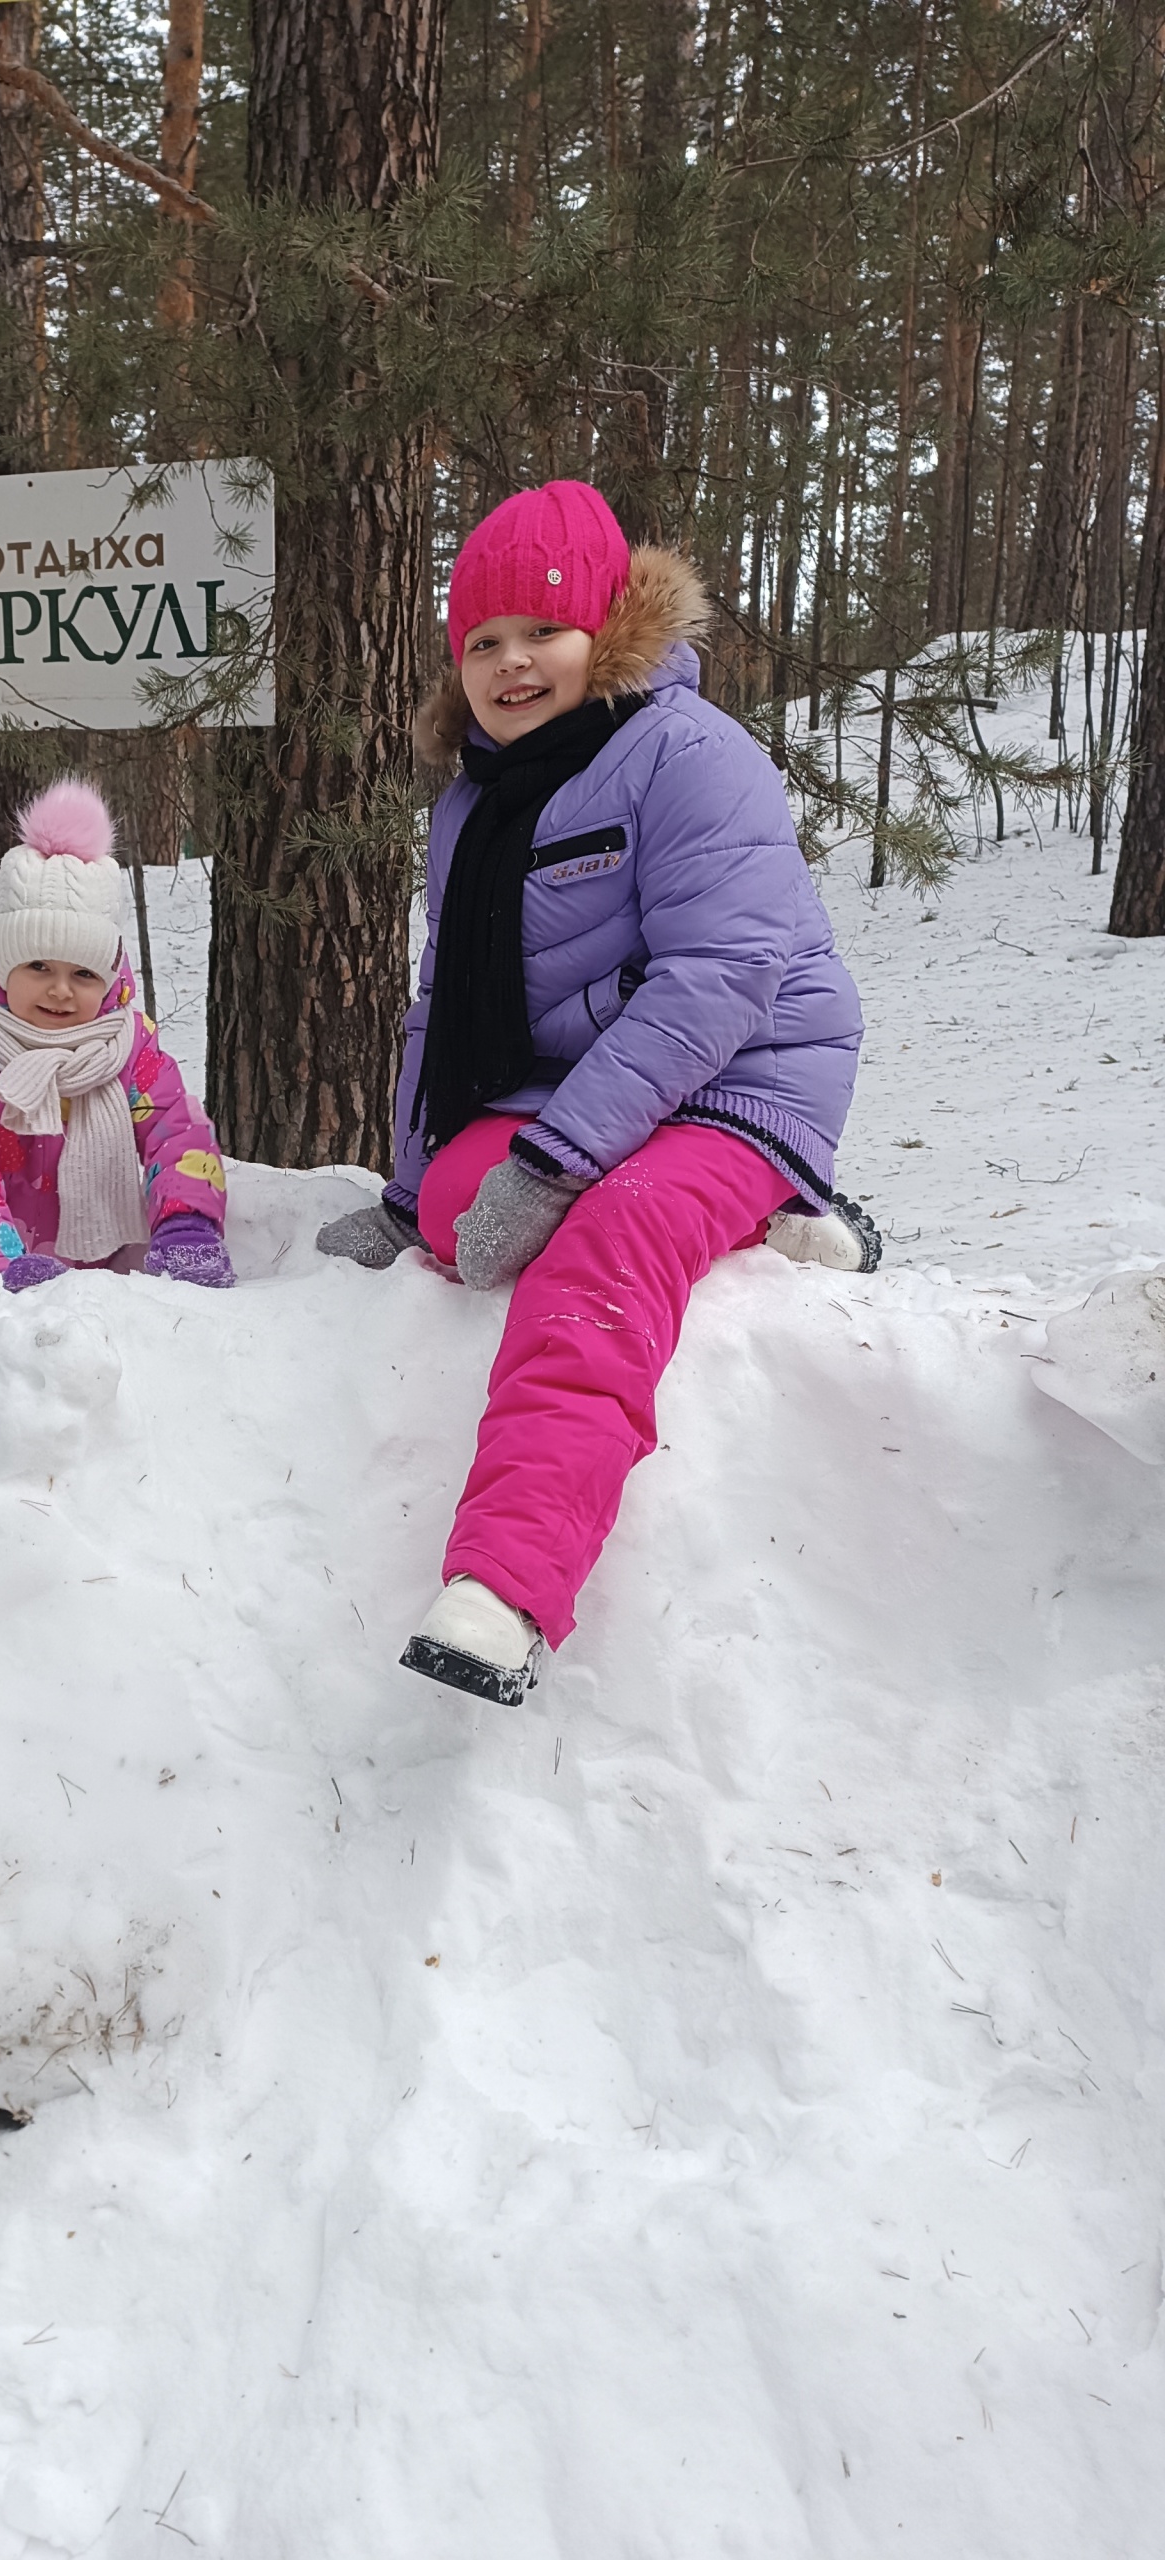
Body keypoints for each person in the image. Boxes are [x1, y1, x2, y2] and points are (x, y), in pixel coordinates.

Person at [317, 481, 874, 1703]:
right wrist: (416, 1197)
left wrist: (559, 1163)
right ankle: (757, 1221)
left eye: (544, 631)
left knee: (608, 1236)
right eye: (483, 641)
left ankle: (508, 1588)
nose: (513, 663)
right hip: (576, 1085)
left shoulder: (690, 756)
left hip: (742, 1073)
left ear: (611, 631)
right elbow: (438, 1008)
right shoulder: (474, 797)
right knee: (471, 1217)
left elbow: (725, 976)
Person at [0, 778, 233, 1291]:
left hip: (87, 1277)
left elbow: (176, 1133)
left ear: (109, 978)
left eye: (83, 974)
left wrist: (187, 1226)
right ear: (4, 965)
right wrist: (3, 1268)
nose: (60, 991)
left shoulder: (126, 1045)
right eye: (38, 966)